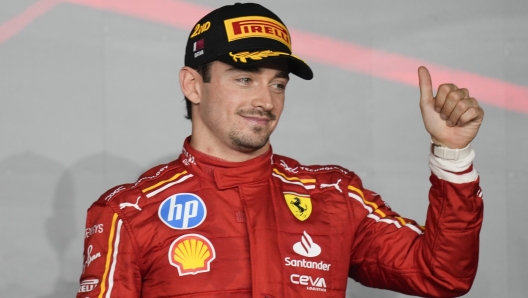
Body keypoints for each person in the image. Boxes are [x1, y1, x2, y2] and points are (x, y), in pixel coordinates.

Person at [76, 3, 484, 298]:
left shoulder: (334, 196)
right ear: (192, 84)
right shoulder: (127, 213)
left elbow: (441, 274)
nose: (266, 101)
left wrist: (451, 155)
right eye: (244, 78)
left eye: (278, 83)